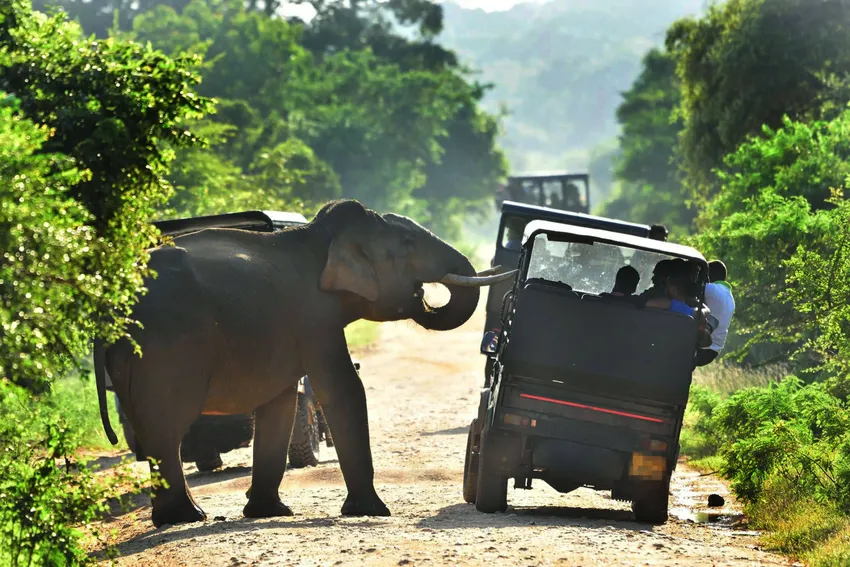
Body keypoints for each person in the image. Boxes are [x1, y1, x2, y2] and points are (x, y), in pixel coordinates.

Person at [696, 260, 735, 366]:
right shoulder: (729, 296)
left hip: (702, 347)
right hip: (713, 351)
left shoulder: (711, 289)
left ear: (707, 275)